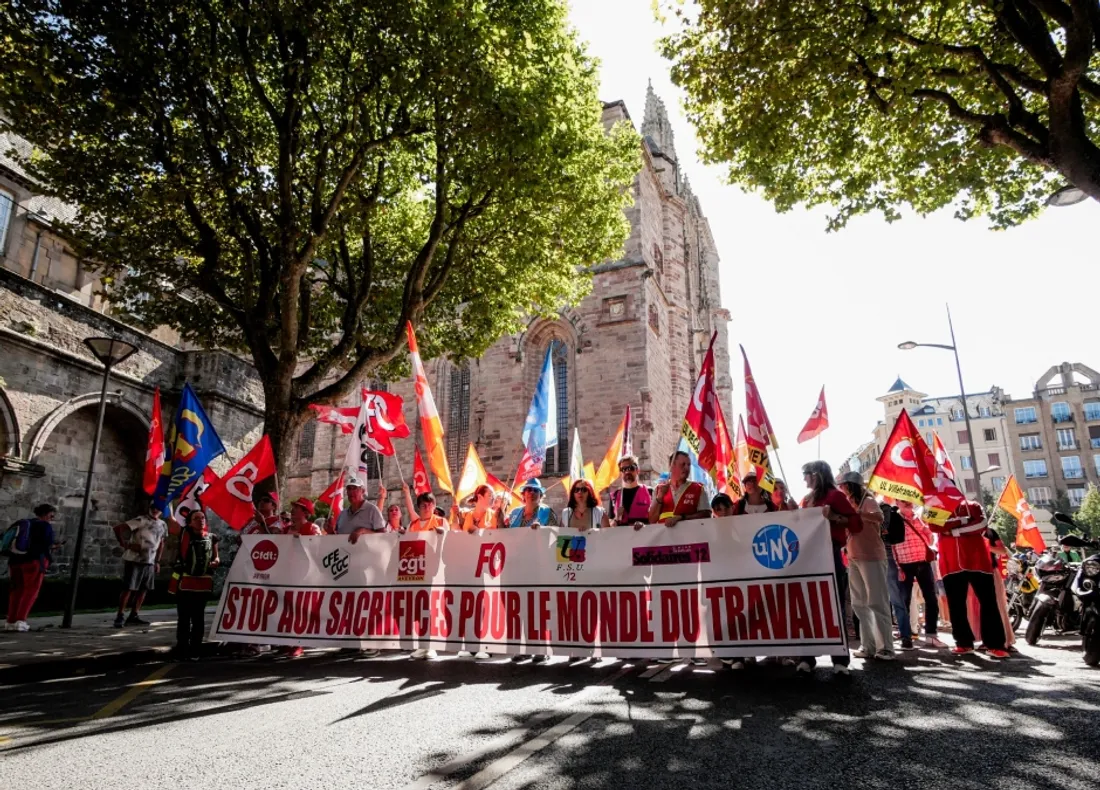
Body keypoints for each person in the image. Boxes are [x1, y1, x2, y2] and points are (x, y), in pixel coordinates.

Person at [797, 461, 861, 676]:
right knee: (808, 605)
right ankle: (807, 657)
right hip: (808, 555)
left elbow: (857, 524)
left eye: (806, 474)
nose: (804, 479)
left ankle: (840, 659)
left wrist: (835, 518)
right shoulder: (806, 500)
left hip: (830, 552)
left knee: (834, 604)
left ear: (815, 475)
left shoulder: (835, 496)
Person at [929, 500, 1008, 658]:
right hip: (951, 563)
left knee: (989, 603)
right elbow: (935, 527)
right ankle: (963, 643)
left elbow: (981, 525)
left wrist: (953, 531)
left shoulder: (974, 505)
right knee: (956, 605)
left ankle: (995, 645)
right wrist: (965, 520)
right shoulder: (934, 507)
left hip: (978, 560)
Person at [838, 473, 894, 661]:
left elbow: (878, 517)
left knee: (877, 601)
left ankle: (886, 647)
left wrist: (857, 513)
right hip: (853, 557)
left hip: (872, 556)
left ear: (850, 485)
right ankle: (868, 645)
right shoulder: (849, 504)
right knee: (859, 603)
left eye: (843, 485)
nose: (841, 488)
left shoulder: (867, 500)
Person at [893, 501, 946, 649]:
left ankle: (931, 635)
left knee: (931, 599)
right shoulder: (893, 518)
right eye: (903, 500)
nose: (907, 502)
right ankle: (906, 636)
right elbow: (891, 544)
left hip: (923, 562)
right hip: (904, 564)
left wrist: (927, 537)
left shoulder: (919, 516)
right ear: (897, 502)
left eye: (909, 499)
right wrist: (898, 567)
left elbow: (930, 537)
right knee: (904, 601)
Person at [171, 510, 220, 661]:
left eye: (202, 518)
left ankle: (195, 649)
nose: (201, 520)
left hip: (202, 585)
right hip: (185, 583)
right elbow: (172, 524)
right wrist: (169, 505)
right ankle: (182, 649)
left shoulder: (211, 538)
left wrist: (216, 561)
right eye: (196, 518)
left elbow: (216, 556)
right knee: (184, 618)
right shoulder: (184, 534)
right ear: (190, 522)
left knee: (198, 618)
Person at [112, 500, 168, 628]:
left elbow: (161, 543)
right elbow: (118, 528)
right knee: (129, 588)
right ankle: (120, 615)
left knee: (143, 589)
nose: (155, 510)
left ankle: (134, 614)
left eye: (158, 508)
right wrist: (125, 544)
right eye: (153, 507)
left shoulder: (163, 525)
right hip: (134, 559)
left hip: (149, 561)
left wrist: (157, 561)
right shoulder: (141, 520)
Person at [5, 504, 58, 632]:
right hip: (34, 562)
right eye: (52, 515)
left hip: (15, 561)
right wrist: (53, 549)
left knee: (16, 590)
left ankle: (10, 621)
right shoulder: (45, 526)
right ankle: (21, 621)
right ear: (46, 514)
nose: (52, 518)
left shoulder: (22, 523)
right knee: (30, 591)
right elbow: (46, 544)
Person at [645, 450, 710, 528]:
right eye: (683, 464)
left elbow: (707, 515)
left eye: (688, 465)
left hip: (690, 537)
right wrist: (660, 497)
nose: (686, 468)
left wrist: (682, 518)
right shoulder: (659, 489)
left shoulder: (698, 489)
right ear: (672, 466)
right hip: (664, 538)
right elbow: (652, 520)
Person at [336, 477, 386, 545]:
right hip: (344, 554)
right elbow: (336, 536)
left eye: (355, 488)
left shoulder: (372, 510)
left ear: (362, 491)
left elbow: (384, 535)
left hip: (366, 554)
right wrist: (329, 531)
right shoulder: (342, 514)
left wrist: (363, 530)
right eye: (349, 488)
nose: (351, 492)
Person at [608, 455, 652, 528]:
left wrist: (644, 526)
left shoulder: (650, 492)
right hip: (622, 538)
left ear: (637, 470)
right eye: (623, 469)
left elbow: (656, 520)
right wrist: (616, 518)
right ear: (621, 473)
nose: (627, 471)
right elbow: (609, 526)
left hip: (644, 537)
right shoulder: (614, 496)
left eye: (631, 468)